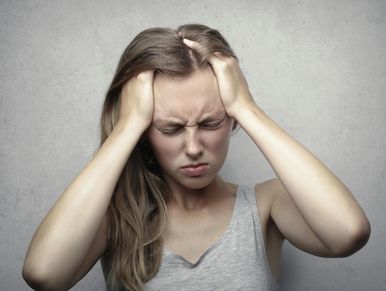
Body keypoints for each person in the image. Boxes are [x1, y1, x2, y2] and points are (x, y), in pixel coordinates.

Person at [22, 24, 371, 291]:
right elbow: (44, 274)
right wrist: (128, 125)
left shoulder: (267, 207)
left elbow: (348, 232)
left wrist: (246, 108)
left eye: (210, 122)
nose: (193, 147)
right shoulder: (115, 219)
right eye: (170, 128)